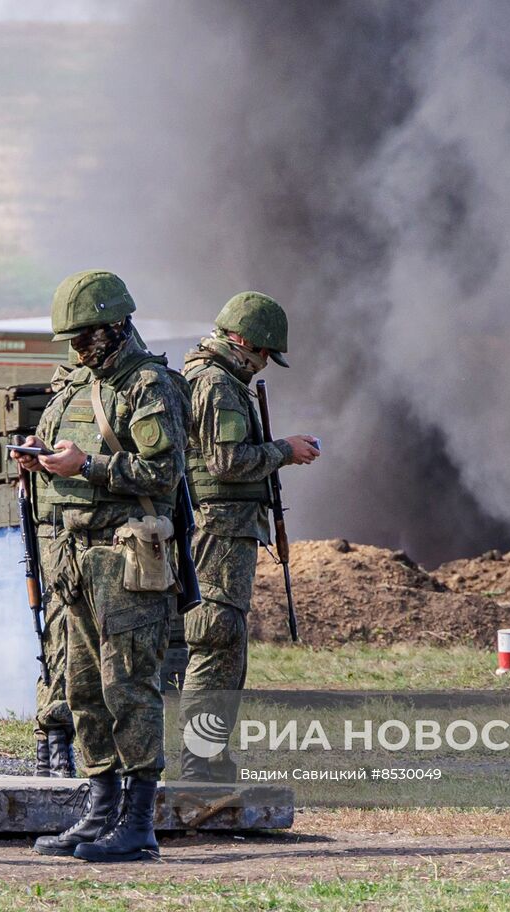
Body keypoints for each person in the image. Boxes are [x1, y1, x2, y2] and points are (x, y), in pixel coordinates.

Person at [14, 270, 189, 863]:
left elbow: (163, 476)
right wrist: (41, 463)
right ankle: (98, 811)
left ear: (117, 327)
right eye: (72, 340)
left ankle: (138, 824)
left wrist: (86, 466)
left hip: (125, 558)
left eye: (86, 337)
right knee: (84, 690)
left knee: (129, 689)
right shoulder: (74, 388)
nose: (78, 349)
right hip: (71, 557)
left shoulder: (148, 386)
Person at [178, 292, 320, 781]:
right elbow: (227, 463)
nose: (262, 365)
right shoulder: (217, 385)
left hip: (224, 530)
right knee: (217, 639)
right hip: (219, 531)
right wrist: (284, 450)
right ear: (241, 341)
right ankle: (200, 763)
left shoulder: (214, 379)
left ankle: (207, 757)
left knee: (223, 640)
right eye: (261, 354)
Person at [34, 362, 76, 778]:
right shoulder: (63, 401)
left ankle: (55, 739)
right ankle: (53, 737)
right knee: (59, 638)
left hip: (80, 536)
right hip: (62, 537)